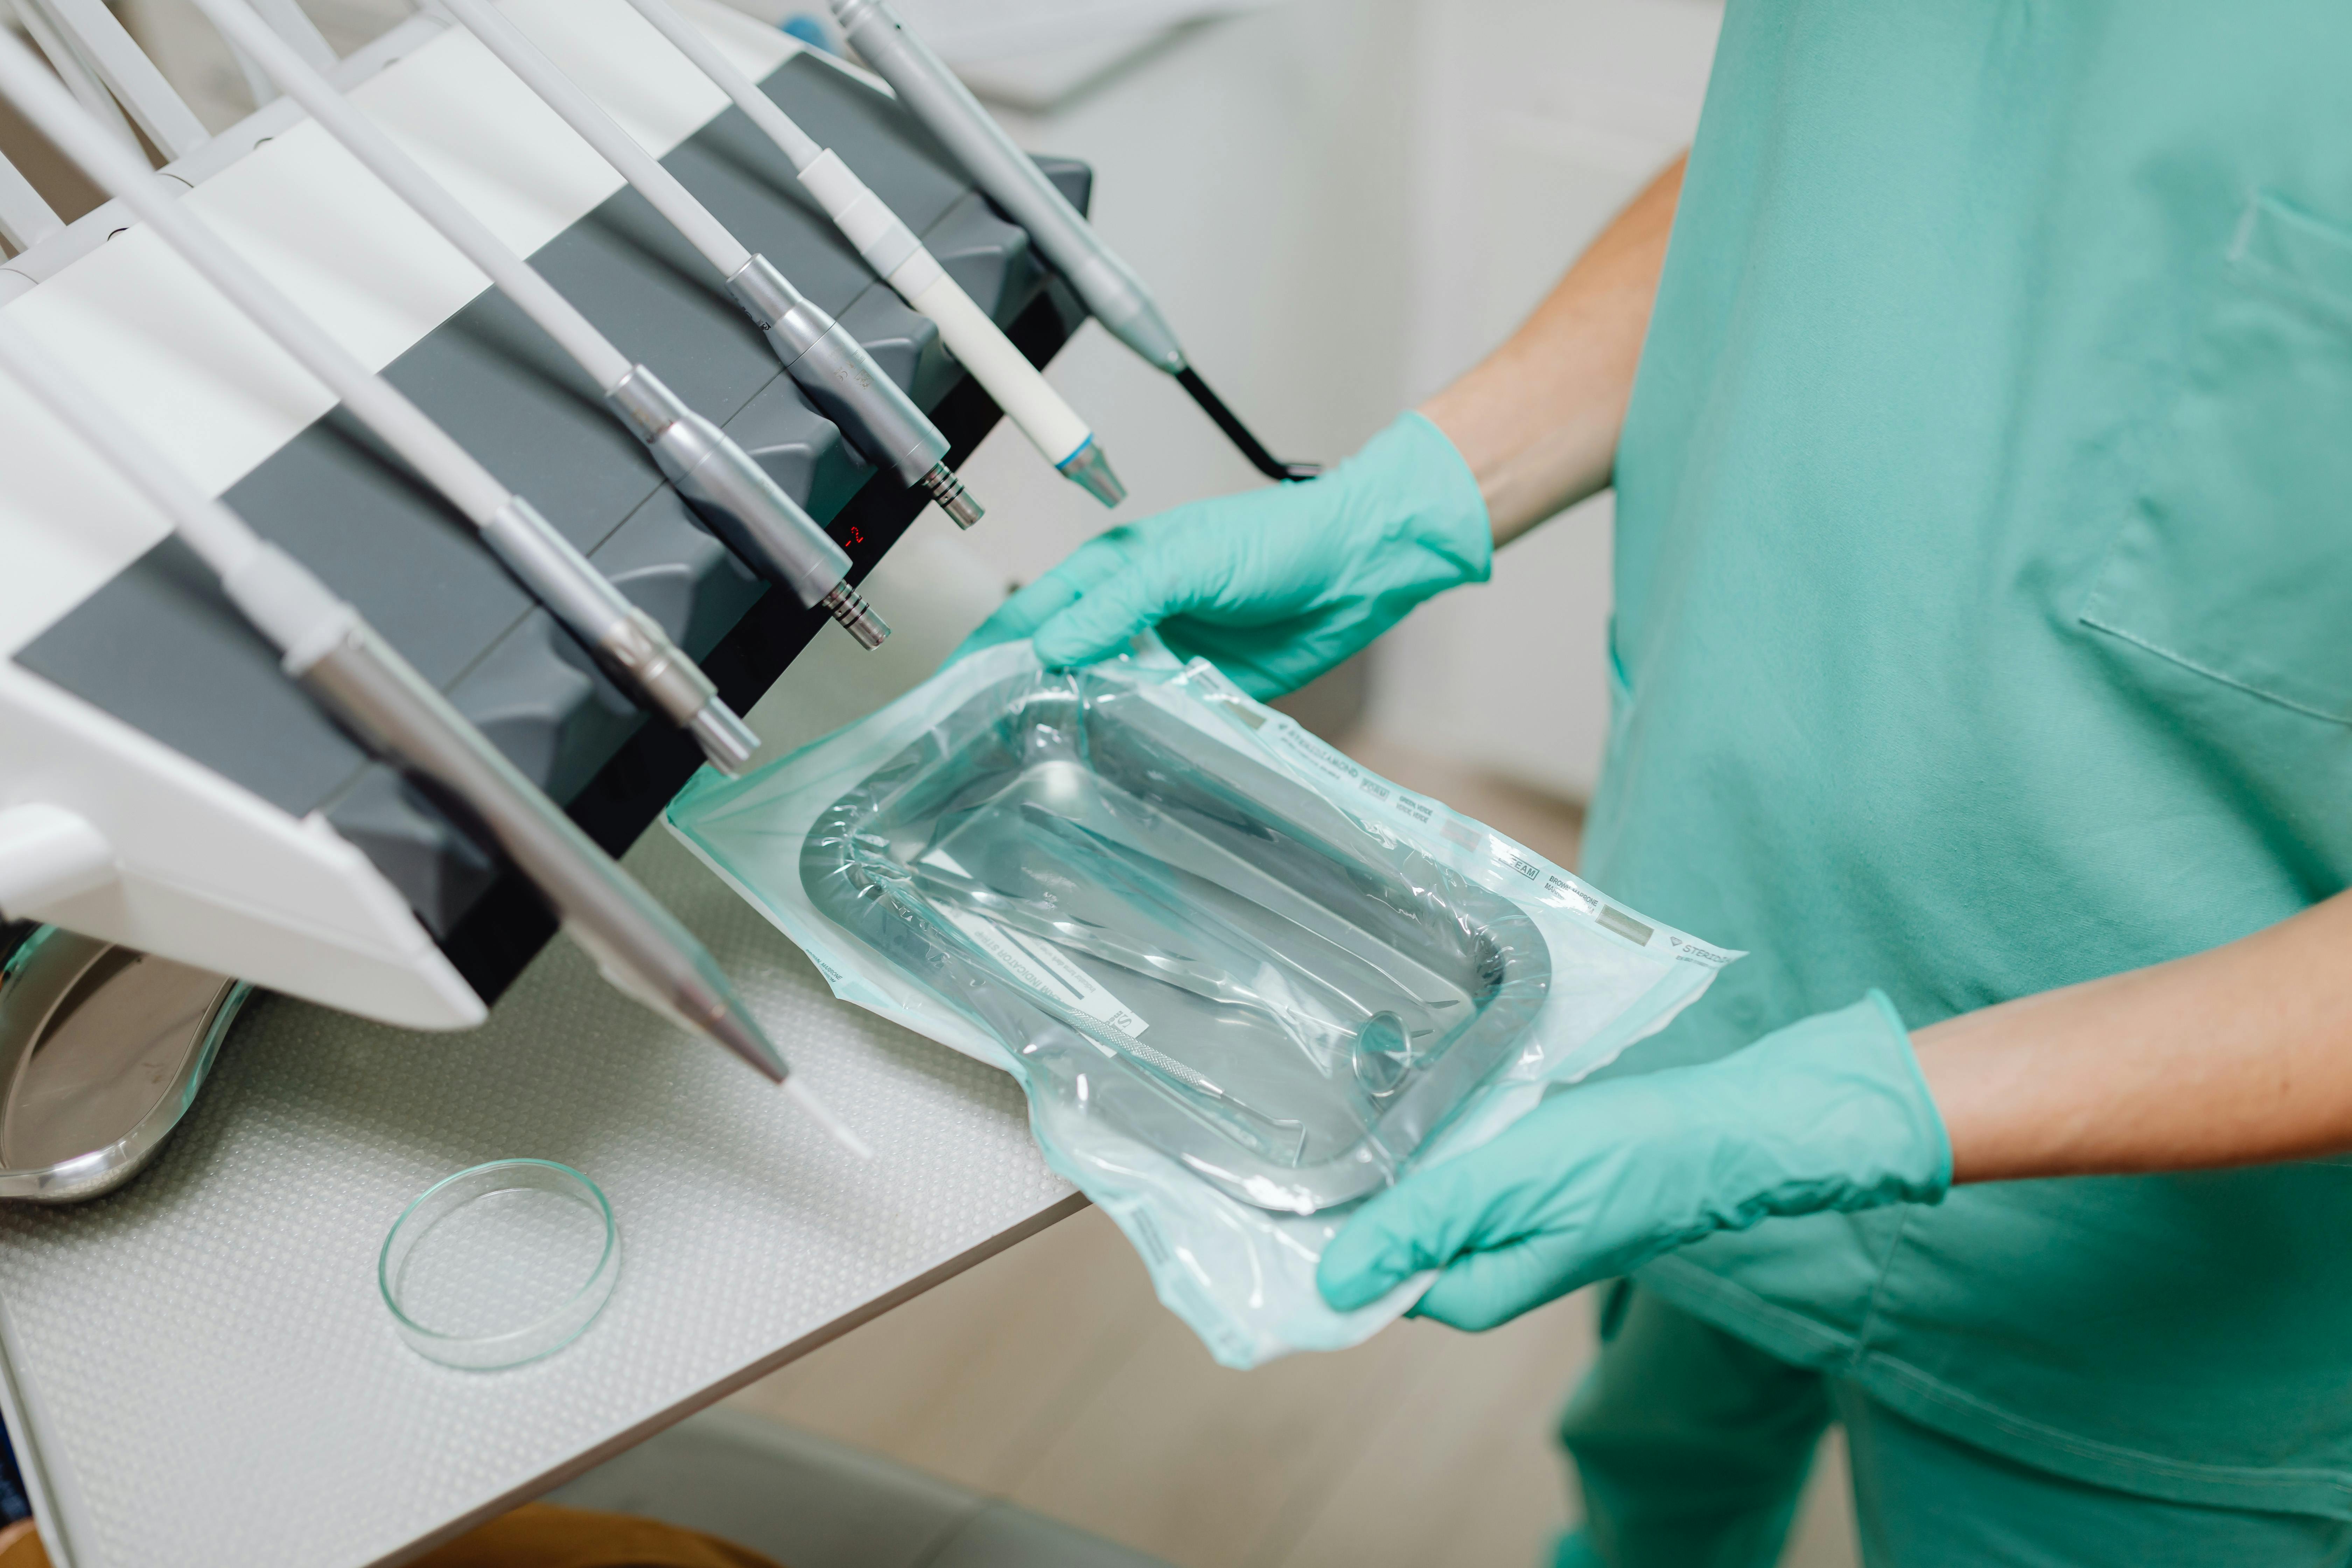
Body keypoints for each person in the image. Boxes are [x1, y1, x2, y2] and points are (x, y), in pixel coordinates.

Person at [960, 3, 2352, 1562]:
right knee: (1653, 1490)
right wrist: (1427, 491)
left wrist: (1826, 1119)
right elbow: (1813, 185)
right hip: (1711, 976)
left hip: (2170, 1272)